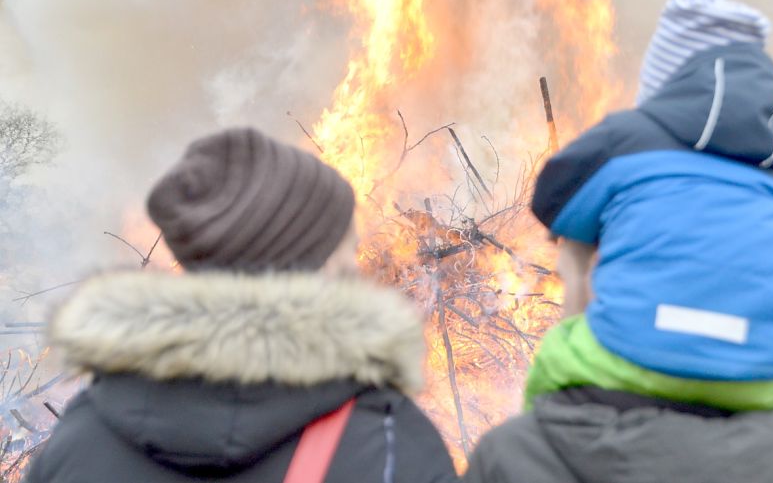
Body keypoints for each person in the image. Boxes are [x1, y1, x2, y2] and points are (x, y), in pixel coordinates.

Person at [463, 0, 773, 482]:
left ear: (663, 87)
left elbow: (551, 199)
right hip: (762, 395)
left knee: (575, 253)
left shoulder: (626, 141)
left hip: (618, 378)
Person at [27, 128, 458, 483]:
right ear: (312, 266)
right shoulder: (388, 449)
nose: (355, 263)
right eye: (341, 246)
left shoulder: (77, 444)